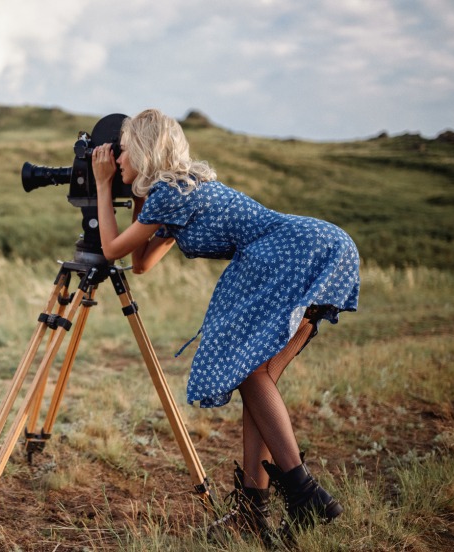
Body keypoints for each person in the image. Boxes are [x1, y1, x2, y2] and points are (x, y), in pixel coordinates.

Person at [90, 109, 359, 542]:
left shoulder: (170, 195)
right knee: (258, 377)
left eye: (122, 149)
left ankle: (305, 492)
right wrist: (135, 192)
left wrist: (104, 185)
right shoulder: (176, 193)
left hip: (289, 253)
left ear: (142, 148)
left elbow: (110, 250)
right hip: (321, 245)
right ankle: (254, 510)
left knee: (249, 371)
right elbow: (141, 263)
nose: (116, 157)